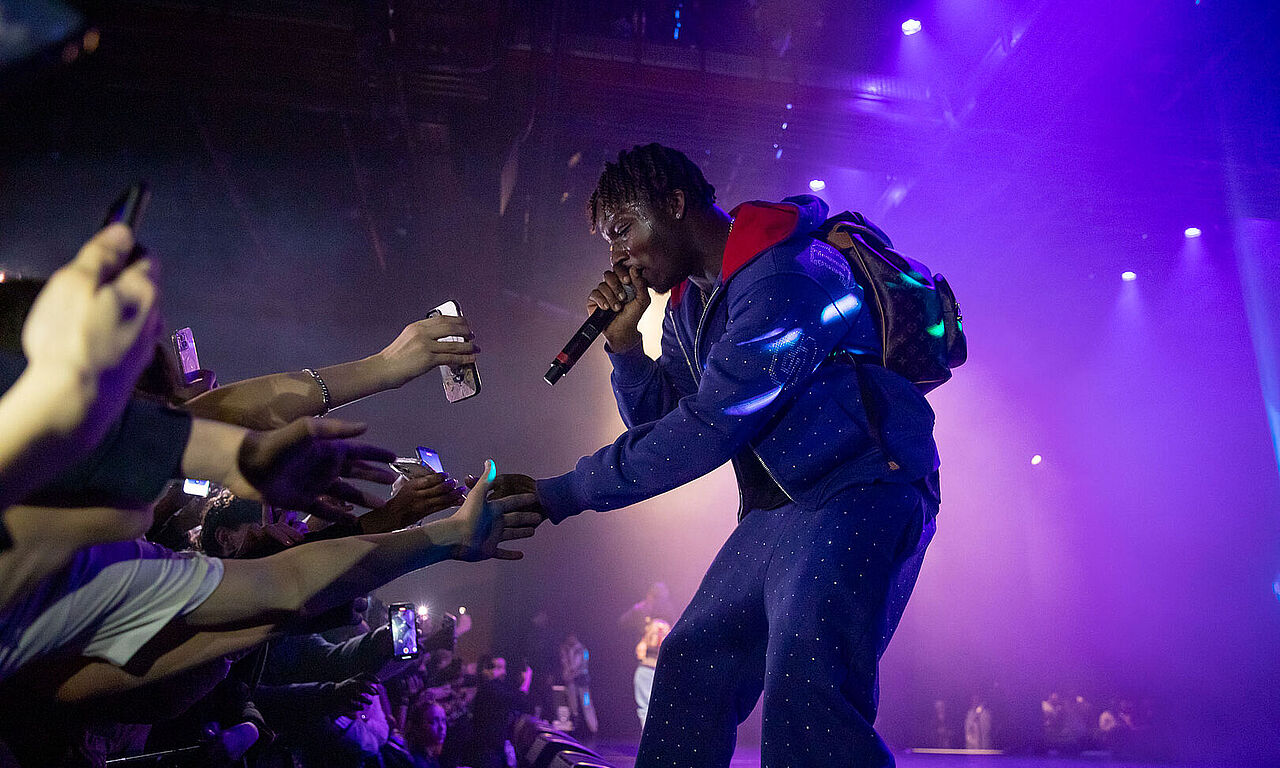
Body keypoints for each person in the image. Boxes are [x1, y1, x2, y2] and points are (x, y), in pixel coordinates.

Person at [508, 144, 941, 766]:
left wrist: (563, 493)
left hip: (861, 489)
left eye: (623, 229)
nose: (617, 256)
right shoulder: (692, 303)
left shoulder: (789, 273)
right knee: (691, 665)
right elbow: (662, 425)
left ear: (674, 204)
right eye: (609, 242)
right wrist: (625, 348)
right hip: (782, 509)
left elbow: (708, 428)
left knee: (807, 689)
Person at [633, 618, 669, 727]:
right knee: (653, 708)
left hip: (648, 670)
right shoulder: (665, 635)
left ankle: (649, 734)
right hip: (653, 671)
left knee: (646, 709)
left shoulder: (648, 636)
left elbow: (640, 654)